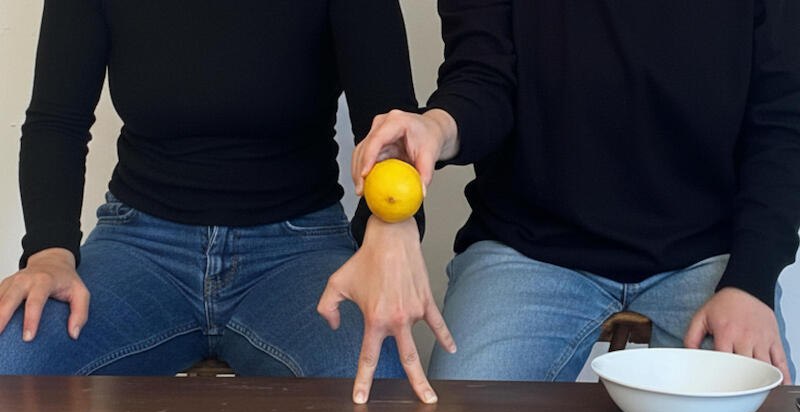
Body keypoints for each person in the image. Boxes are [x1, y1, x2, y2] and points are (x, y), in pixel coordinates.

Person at [329, 0, 799, 391]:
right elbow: (483, 78)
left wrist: (751, 282)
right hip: (530, 246)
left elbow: (782, 119)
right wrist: (435, 128)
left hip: (706, 256)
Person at [0, 0, 419, 384]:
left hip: (299, 251)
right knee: (13, 358)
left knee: (374, 376)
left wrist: (391, 234)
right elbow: (57, 123)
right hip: (139, 248)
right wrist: (49, 253)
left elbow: (392, 126)